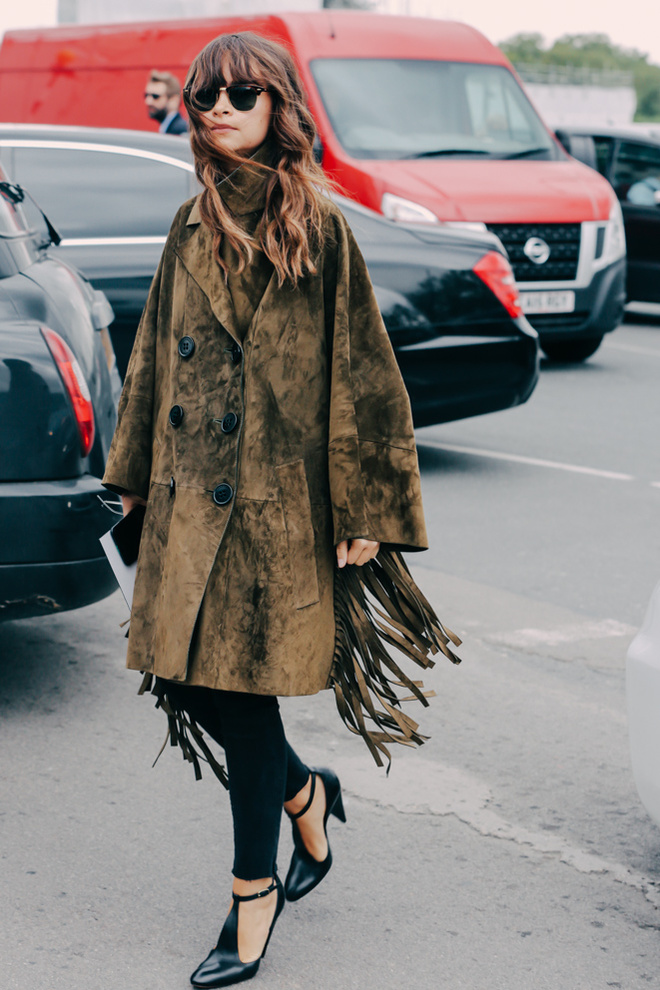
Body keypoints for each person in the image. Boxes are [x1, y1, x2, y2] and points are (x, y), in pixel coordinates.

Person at [103, 31, 459, 990]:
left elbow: (366, 374)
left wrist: (367, 505)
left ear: (277, 108)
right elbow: (149, 358)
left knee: (245, 703)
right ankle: (309, 792)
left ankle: (250, 894)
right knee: (183, 682)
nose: (217, 107)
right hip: (184, 500)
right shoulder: (189, 224)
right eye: (204, 94)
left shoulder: (321, 226)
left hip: (272, 510)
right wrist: (128, 476)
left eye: (239, 93)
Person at [144, 69, 189, 135]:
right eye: (146, 95)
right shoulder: (171, 129)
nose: (148, 102)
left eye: (155, 96)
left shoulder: (180, 132)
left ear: (174, 100)